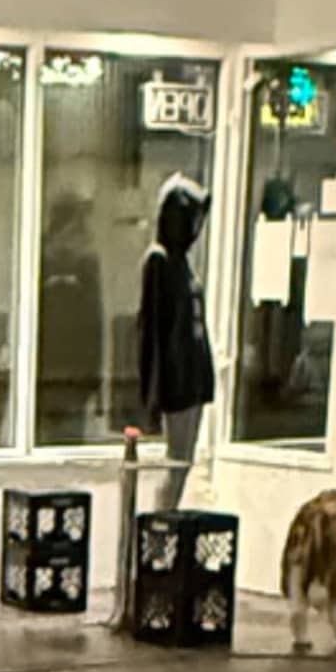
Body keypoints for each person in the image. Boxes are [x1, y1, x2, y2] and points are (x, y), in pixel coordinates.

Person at [134, 177, 215, 507]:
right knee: (176, 461)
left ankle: (168, 518)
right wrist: (151, 396)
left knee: (184, 461)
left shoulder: (183, 263)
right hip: (177, 378)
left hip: (193, 375)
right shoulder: (159, 261)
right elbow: (151, 330)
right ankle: (159, 523)